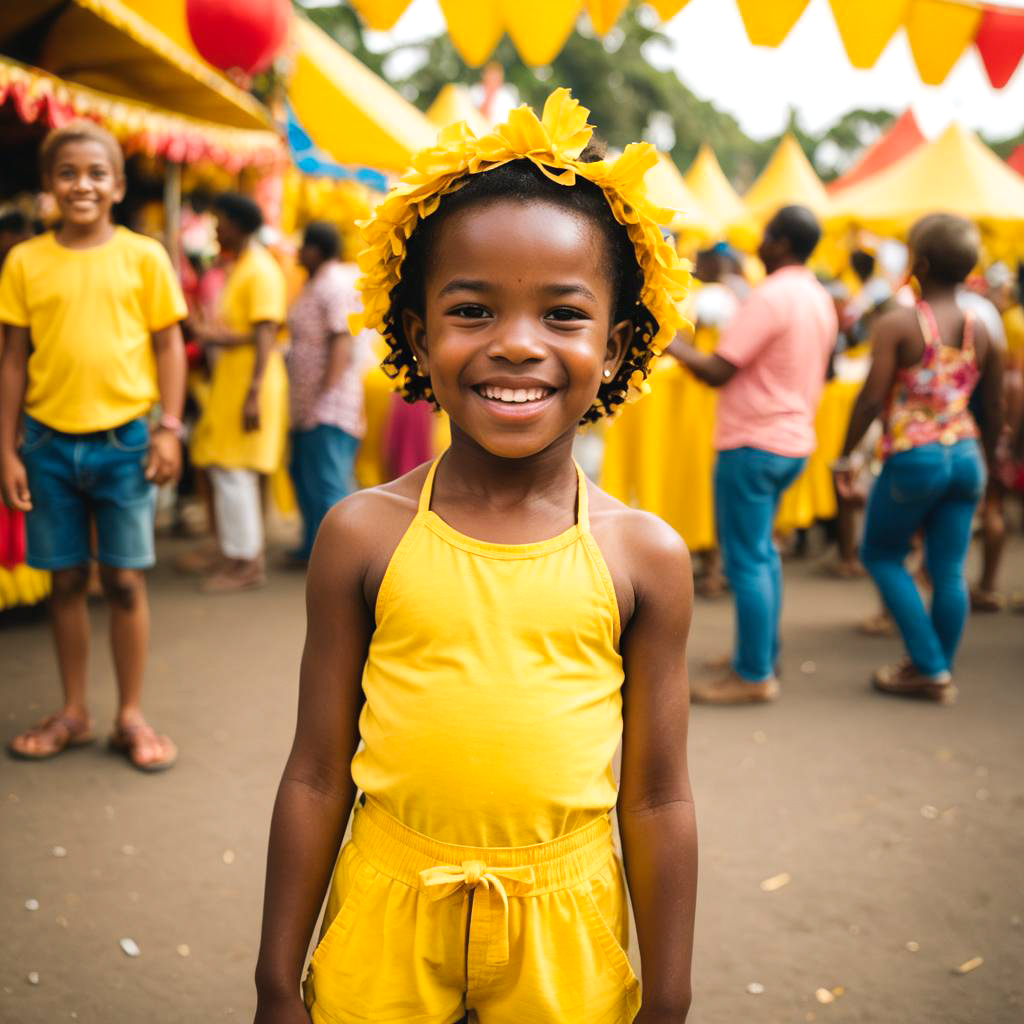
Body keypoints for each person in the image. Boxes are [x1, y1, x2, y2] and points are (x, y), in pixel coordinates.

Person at [253, 91, 697, 1024]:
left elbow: (655, 801)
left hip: (566, 932)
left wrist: (670, 996)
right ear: (418, 334)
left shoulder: (642, 557)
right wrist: (273, 977)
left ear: (616, 348)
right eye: (472, 309)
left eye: (564, 316)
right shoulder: (363, 536)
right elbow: (314, 772)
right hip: (382, 911)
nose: (517, 345)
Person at [0, 121, 186, 769]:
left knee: (126, 583)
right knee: (67, 580)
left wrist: (169, 429)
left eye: (96, 173)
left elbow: (168, 346)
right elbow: (13, 361)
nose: (83, 184)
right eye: (69, 173)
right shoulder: (25, 261)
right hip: (47, 446)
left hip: (125, 445)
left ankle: (129, 715)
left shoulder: (144, 257)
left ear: (118, 185)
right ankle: (73, 711)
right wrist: (6, 449)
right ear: (49, 185)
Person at [835, 213, 1003, 703]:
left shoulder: (898, 323)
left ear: (919, 264)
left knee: (881, 555)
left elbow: (870, 399)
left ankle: (929, 667)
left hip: (915, 458)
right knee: (948, 570)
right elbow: (991, 408)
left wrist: (846, 457)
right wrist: (990, 466)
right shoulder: (984, 328)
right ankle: (932, 666)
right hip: (967, 456)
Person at [673, 205, 838, 704]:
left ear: (782, 242)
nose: (758, 246)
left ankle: (753, 675)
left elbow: (718, 370)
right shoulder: (816, 295)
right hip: (791, 442)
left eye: (765, 237)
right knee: (762, 555)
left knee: (747, 559)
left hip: (753, 443)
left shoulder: (772, 296)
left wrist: (671, 344)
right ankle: (760, 652)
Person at [189, 193, 288, 593]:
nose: (215, 228)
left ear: (237, 224)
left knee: (235, 473)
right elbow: (251, 332)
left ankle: (246, 563)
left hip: (251, 384)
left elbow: (266, 335)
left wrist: (254, 391)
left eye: (220, 220)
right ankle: (235, 553)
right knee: (226, 469)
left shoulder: (259, 270)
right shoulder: (244, 266)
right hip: (236, 382)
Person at [285, 221, 366, 565]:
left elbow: (341, 340)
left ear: (316, 249)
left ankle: (346, 562)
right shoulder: (315, 284)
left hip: (328, 406)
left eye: (303, 246)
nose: (298, 253)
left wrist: (325, 395)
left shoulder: (333, 283)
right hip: (309, 405)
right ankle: (313, 549)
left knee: (329, 482)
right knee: (304, 476)